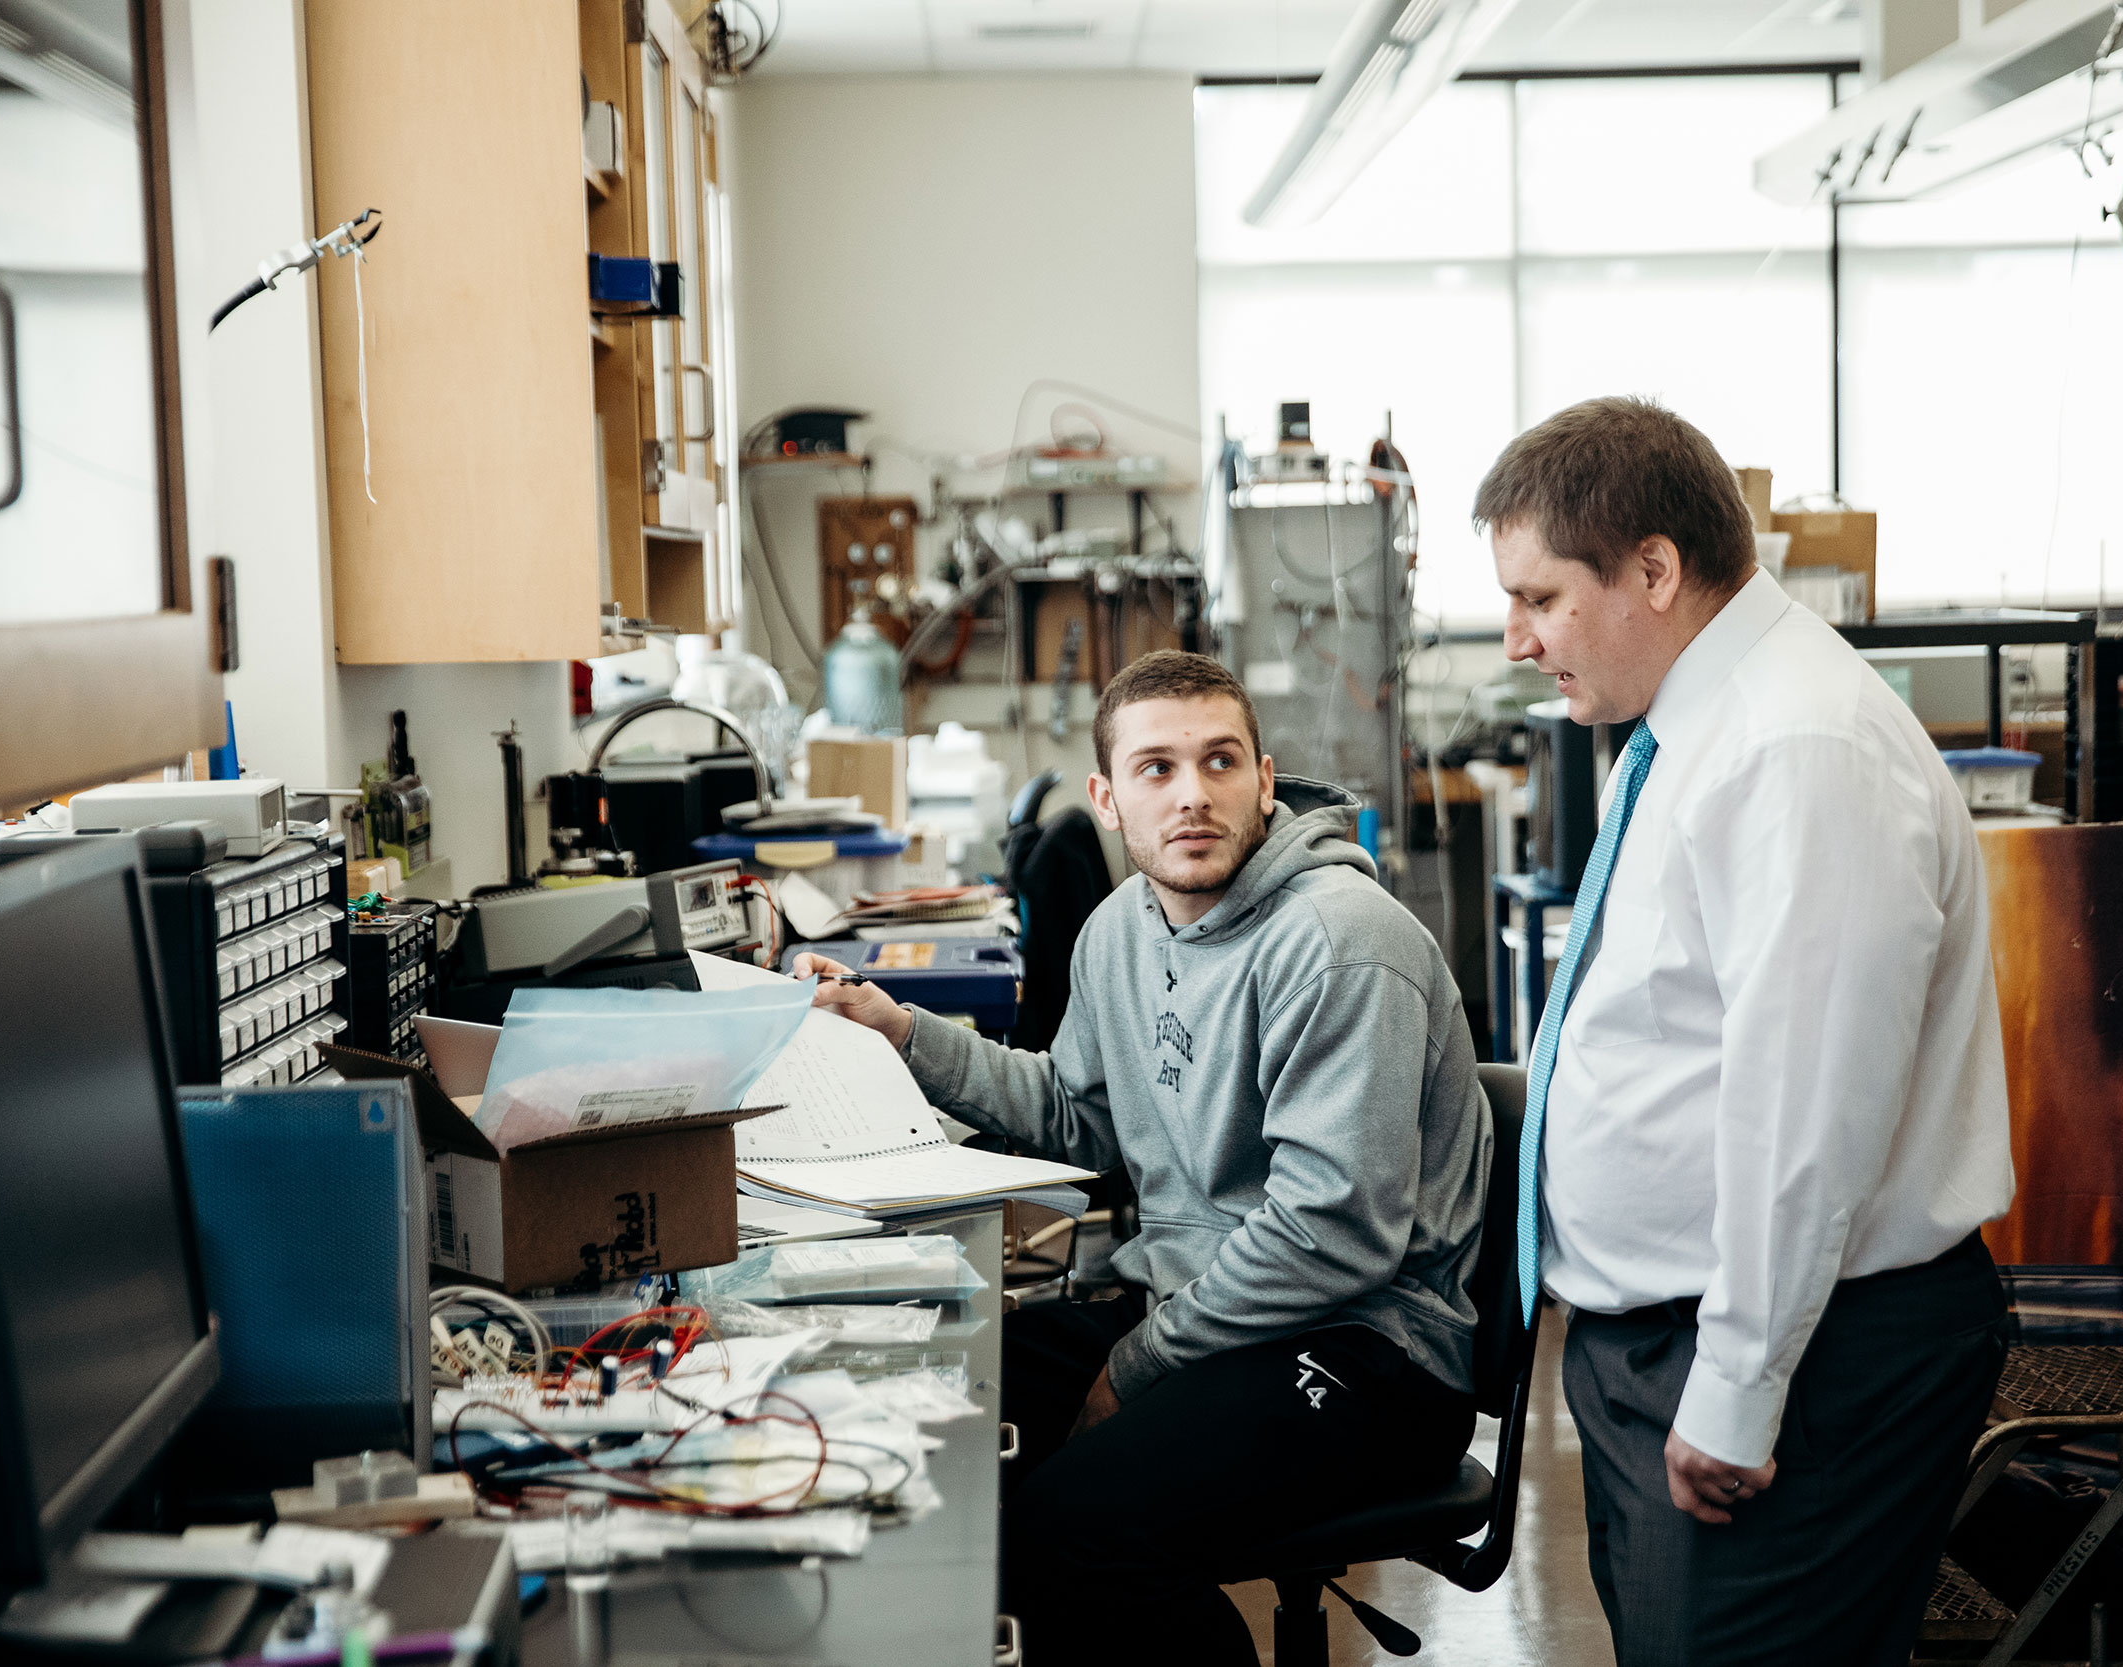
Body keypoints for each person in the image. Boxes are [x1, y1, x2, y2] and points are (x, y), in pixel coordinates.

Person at [796, 649, 1491, 1667]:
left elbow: (1332, 1233)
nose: (1193, 794)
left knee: (1068, 1540)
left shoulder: (1338, 941)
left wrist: (1138, 1364)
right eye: (1157, 768)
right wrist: (901, 1030)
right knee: (924, 1419)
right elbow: (1080, 1116)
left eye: (1219, 761)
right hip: (1203, 1300)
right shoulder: (1119, 930)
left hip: (1370, 1346)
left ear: (1264, 775)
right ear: (1107, 797)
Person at [1478, 397, 2016, 1666]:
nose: (1515, 639)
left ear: (1653, 569)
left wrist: (1734, 1385)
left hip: (1794, 1353)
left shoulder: (1798, 744)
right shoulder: (1682, 732)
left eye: (1539, 598)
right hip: (1679, 1339)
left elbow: (1805, 1108)